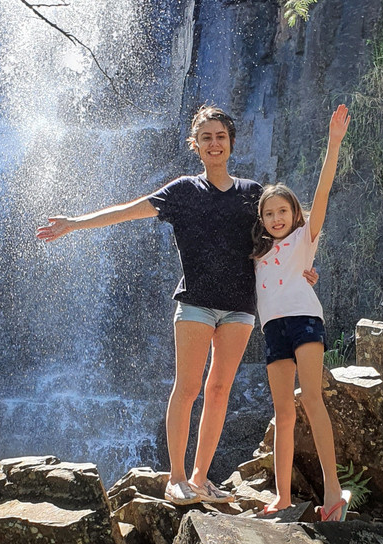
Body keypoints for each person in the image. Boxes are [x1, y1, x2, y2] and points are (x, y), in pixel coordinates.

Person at [38, 107, 312, 505]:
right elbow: (128, 211)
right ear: (196, 145)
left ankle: (201, 478)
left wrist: (305, 269)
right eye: (206, 137)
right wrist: (75, 223)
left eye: (220, 136)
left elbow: (284, 233)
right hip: (196, 304)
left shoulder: (253, 194)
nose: (214, 143)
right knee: (187, 389)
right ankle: (177, 477)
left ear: (231, 142)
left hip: (240, 307)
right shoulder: (183, 191)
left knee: (219, 391)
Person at [252, 104, 351, 522]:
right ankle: (282, 496)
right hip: (273, 329)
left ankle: (332, 493)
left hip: (306, 322)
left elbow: (323, 192)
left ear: (294, 214)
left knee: (312, 399)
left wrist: (333, 144)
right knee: (283, 412)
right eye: (269, 213)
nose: (277, 218)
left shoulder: (303, 240)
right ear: (262, 219)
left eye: (283, 211)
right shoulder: (255, 253)